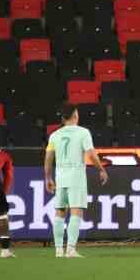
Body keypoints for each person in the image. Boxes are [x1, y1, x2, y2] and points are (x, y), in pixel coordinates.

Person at [44, 106, 107, 259]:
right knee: (76, 210)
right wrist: (101, 169)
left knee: (60, 210)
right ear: (75, 116)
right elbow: (91, 154)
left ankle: (59, 250)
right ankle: (71, 249)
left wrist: (48, 177)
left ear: (62, 118)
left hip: (61, 176)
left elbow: (48, 158)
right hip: (76, 176)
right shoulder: (83, 132)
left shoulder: (54, 135)